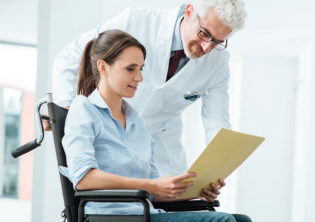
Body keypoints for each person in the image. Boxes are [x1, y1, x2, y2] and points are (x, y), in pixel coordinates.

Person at [51, 0, 246, 177]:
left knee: (176, 202)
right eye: (204, 33)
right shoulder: (136, 21)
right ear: (189, 12)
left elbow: (217, 123)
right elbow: (70, 56)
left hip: (163, 149)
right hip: (112, 138)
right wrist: (65, 111)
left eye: (217, 42)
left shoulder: (218, 63)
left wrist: (215, 173)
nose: (206, 47)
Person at [60, 29, 235, 222]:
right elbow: (83, 178)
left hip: (145, 213)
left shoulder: (136, 121)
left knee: (240, 219)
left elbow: (154, 190)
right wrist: (151, 185)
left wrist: (196, 191)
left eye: (141, 69)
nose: (139, 78)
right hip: (112, 217)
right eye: (130, 69)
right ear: (103, 67)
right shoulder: (84, 109)